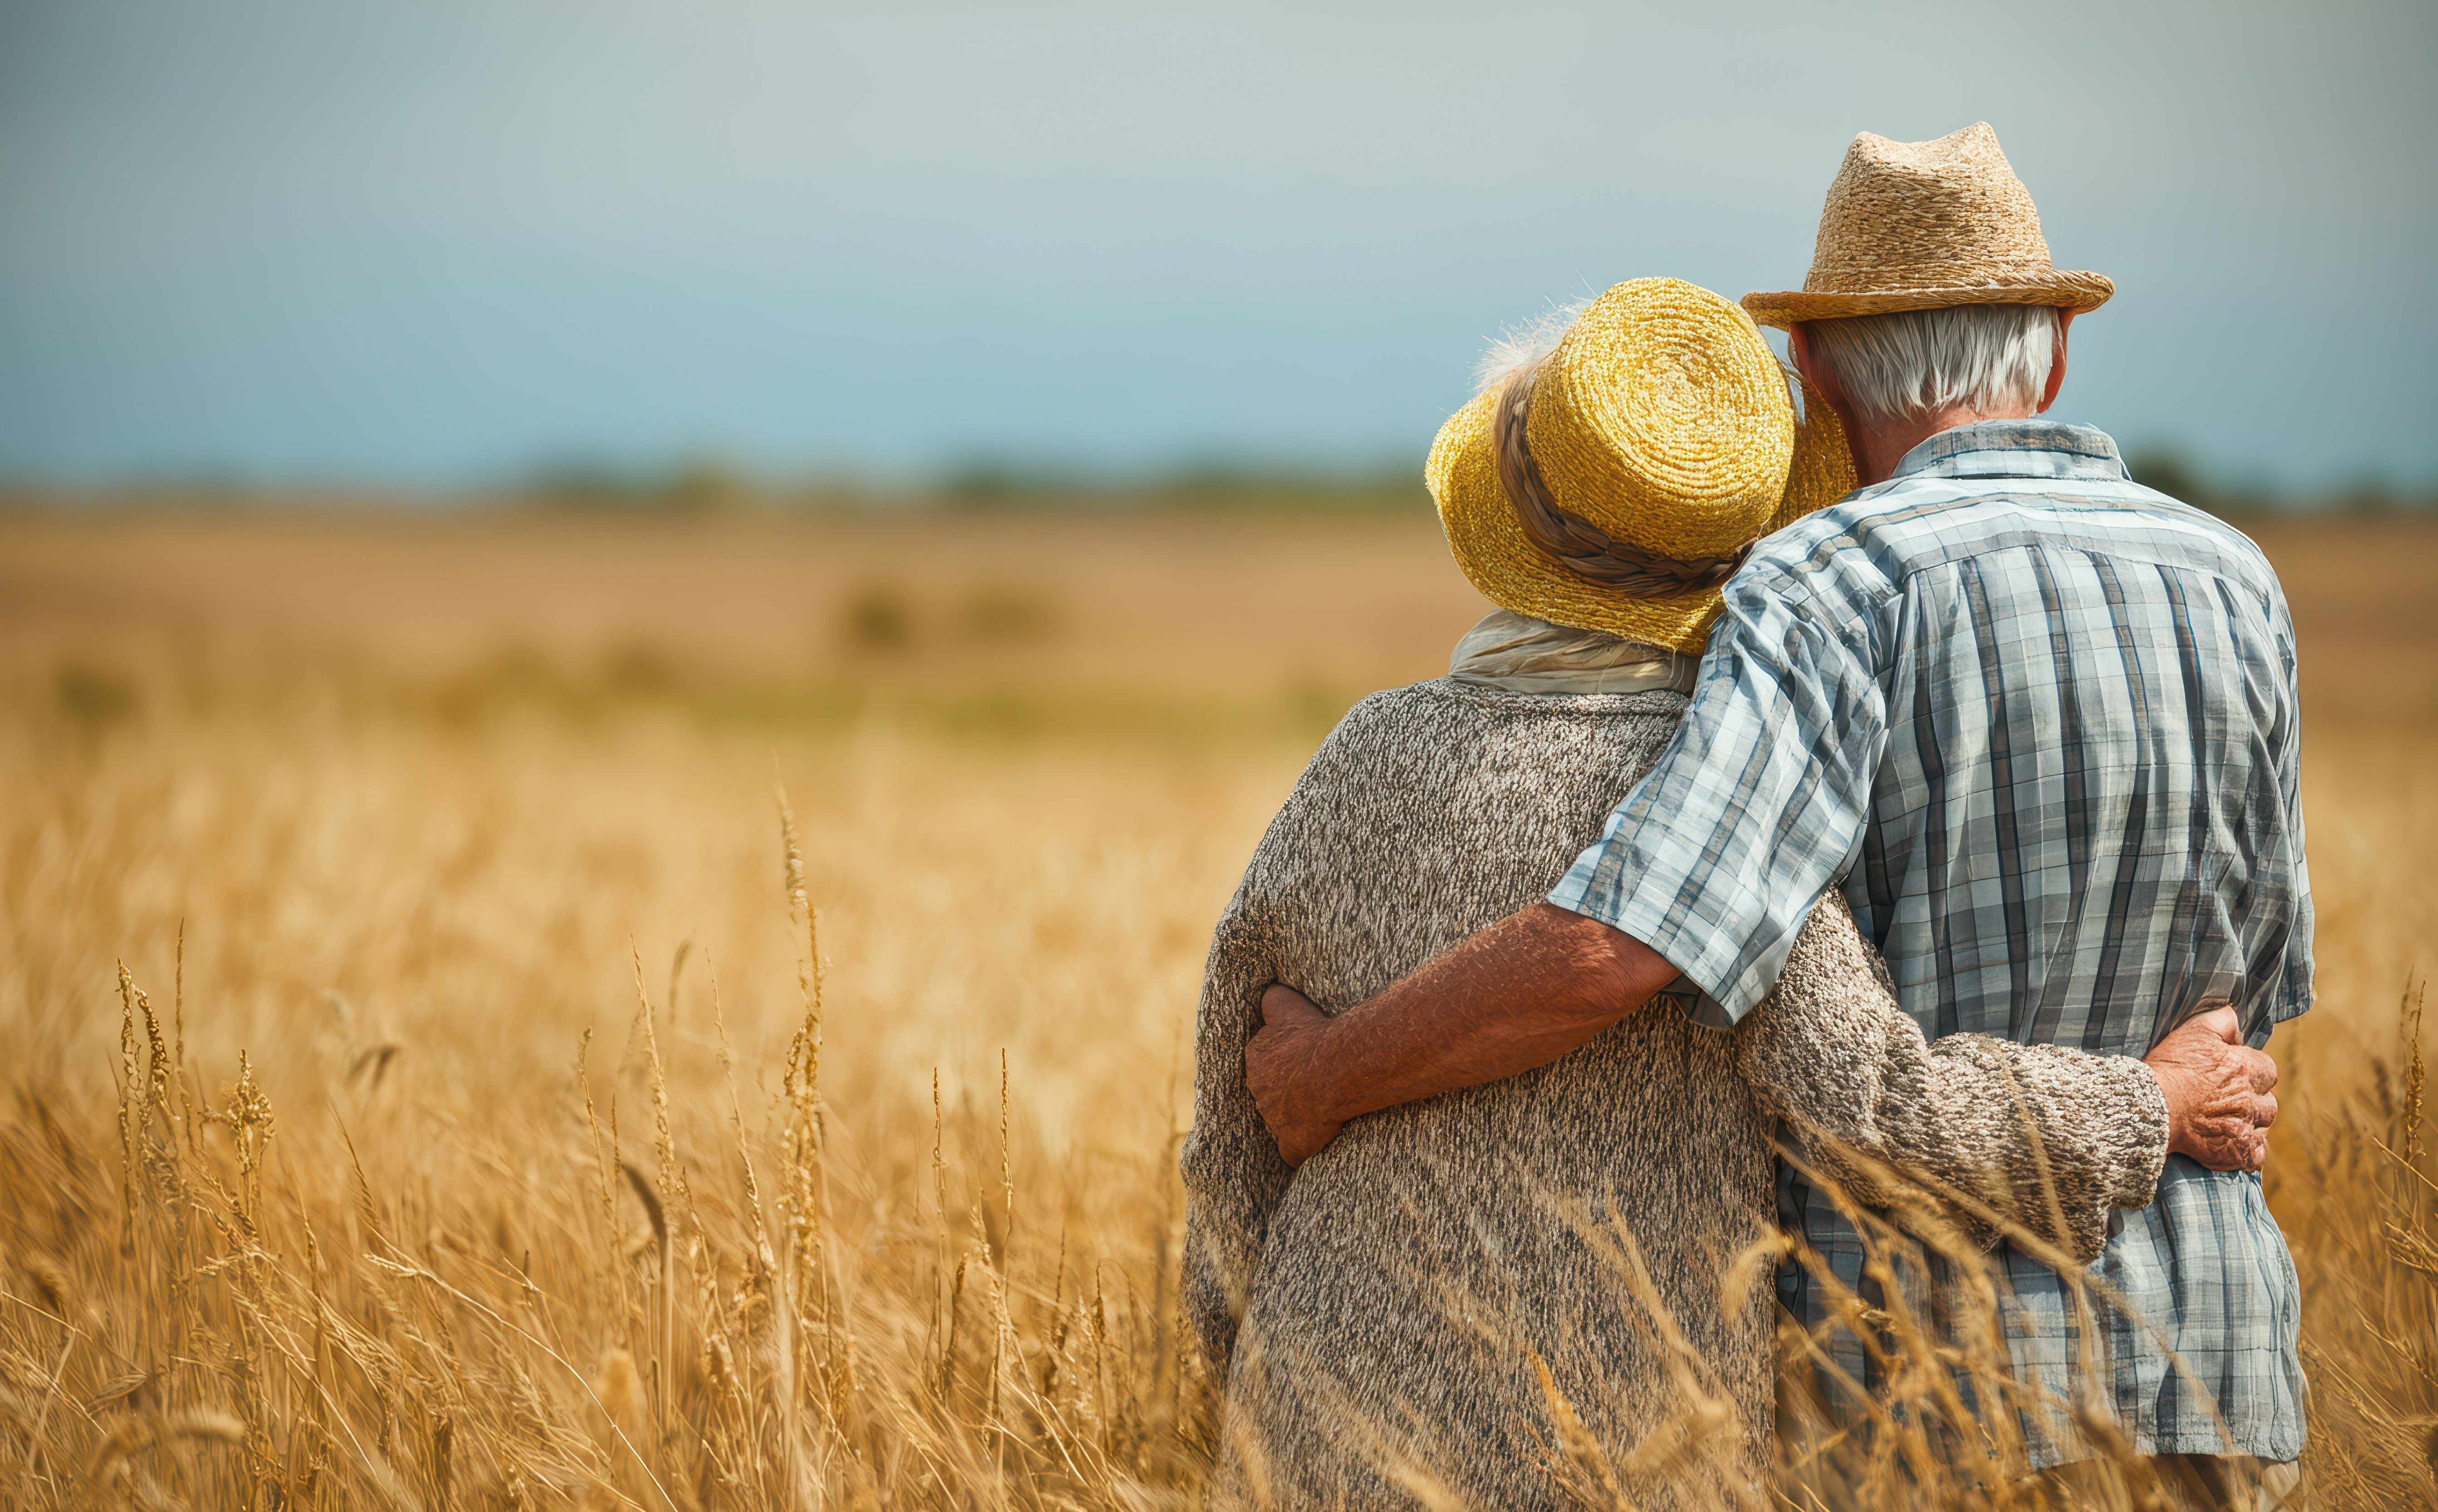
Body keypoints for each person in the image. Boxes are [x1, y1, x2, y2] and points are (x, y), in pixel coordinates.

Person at [1241, 126, 2305, 1509]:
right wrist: (2163, 1097)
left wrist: (1325, 1079)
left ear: (1813, 369)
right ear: (2051, 352)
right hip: (2220, 1371)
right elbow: (2262, 1001)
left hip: (1943, 1396)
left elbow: (1622, 947)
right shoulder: (2236, 576)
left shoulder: (1827, 586)